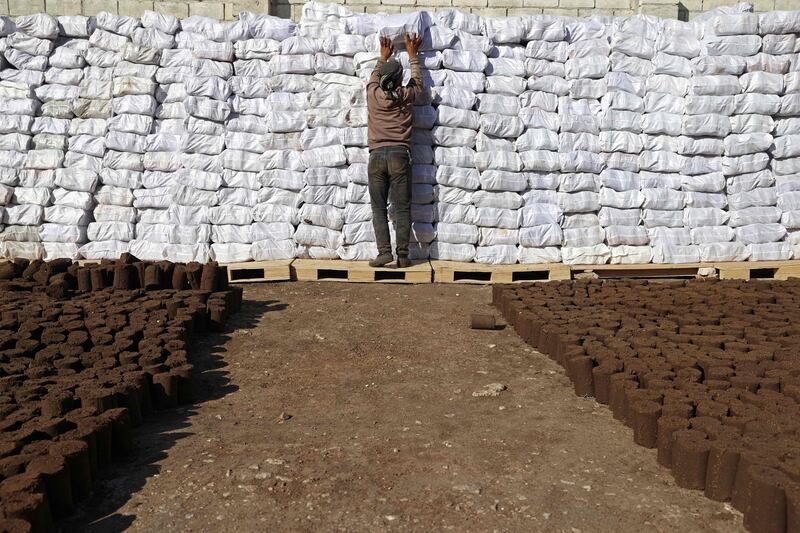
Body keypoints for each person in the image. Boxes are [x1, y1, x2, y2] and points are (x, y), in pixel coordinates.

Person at [366, 32, 424, 268]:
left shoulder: (372, 94)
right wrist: (412, 55)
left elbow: (374, 76)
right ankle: (402, 256)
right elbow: (417, 82)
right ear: (399, 81)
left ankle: (383, 253)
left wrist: (383, 57)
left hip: (376, 157)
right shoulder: (405, 95)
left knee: (379, 208)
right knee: (402, 208)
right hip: (400, 156)